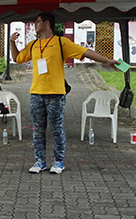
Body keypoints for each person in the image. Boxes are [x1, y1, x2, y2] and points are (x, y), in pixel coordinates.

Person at [9, 12, 119, 174]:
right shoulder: (33, 45)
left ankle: (58, 162)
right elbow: (17, 58)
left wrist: (107, 60)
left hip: (56, 94)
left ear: (47, 23)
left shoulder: (61, 42)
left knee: (56, 129)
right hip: (36, 94)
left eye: (37, 22)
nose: (35, 24)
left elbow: (85, 52)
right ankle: (39, 162)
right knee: (38, 130)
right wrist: (12, 42)